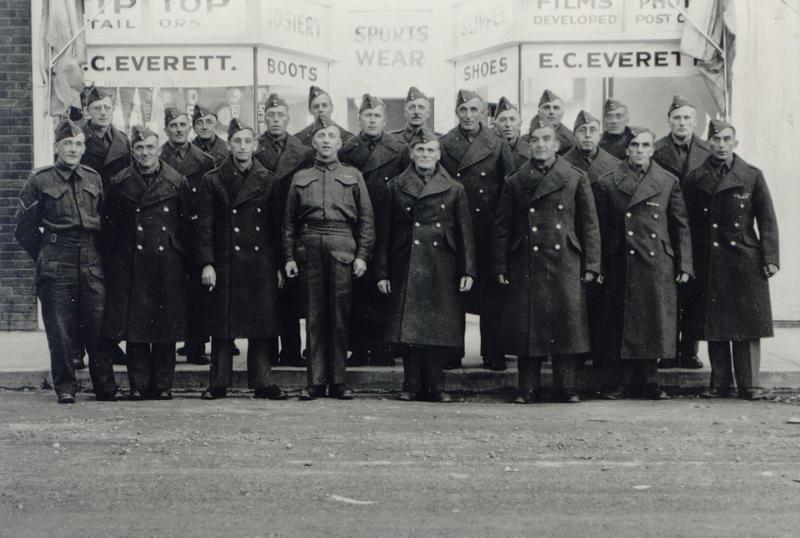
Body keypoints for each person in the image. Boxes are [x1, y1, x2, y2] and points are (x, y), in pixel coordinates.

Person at [491, 117, 601, 404]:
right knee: (530, 325)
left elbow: (589, 225)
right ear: (529, 144)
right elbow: (503, 226)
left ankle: (566, 387)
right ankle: (527, 388)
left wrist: (592, 264)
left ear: (557, 144)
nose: (540, 145)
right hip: (526, 259)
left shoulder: (576, 177)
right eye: (535, 139)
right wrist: (501, 264)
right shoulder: (515, 180)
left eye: (546, 139)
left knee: (566, 324)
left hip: (565, 259)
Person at [15, 119, 119, 403]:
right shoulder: (39, 180)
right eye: (68, 144)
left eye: (78, 144)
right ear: (56, 147)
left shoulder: (93, 178)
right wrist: (47, 254)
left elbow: (103, 222)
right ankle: (65, 388)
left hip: (89, 258)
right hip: (56, 258)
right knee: (59, 329)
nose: (73, 149)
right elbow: (23, 229)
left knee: (98, 326)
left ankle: (105, 387)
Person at [376, 128, 475, 402]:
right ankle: (410, 384)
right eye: (420, 150)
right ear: (411, 153)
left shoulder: (455, 188)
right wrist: (382, 272)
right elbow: (384, 233)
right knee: (410, 327)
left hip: (442, 262)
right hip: (405, 260)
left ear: (439, 154)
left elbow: (465, 233)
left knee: (437, 327)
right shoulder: (395, 186)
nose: (425, 154)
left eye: (431, 150)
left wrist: (468, 269)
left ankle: (436, 385)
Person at [683, 119, 779, 400]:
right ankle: (721, 383)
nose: (721, 145)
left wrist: (770, 258)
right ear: (708, 143)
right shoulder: (695, 178)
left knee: (747, 325)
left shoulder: (751, 175)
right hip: (710, 260)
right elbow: (686, 224)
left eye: (727, 140)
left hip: (745, 259)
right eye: (716, 140)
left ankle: (749, 384)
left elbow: (768, 221)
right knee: (716, 325)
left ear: (735, 143)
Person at [594, 127, 693, 400]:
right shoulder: (607, 182)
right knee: (621, 321)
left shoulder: (668, 181)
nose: (639, 150)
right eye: (634, 145)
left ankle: (650, 381)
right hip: (621, 260)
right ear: (627, 150)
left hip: (656, 261)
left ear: (652, 150)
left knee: (653, 321)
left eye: (645, 145)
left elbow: (680, 226)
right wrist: (598, 265)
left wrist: (685, 264)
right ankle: (623, 382)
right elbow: (599, 229)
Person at [194, 119, 288, 400]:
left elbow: (277, 228)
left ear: (255, 145)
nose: (243, 147)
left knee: (260, 325)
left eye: (248, 141)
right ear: (229, 144)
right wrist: (206, 263)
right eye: (237, 141)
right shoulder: (212, 180)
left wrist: (281, 265)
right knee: (222, 326)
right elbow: (204, 226)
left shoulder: (270, 181)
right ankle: (218, 383)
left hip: (260, 263)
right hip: (225, 262)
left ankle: (262, 382)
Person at [283, 118, 375, 400]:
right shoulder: (300, 178)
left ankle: (338, 381)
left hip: (342, 248)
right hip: (309, 248)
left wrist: (362, 256)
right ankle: (315, 381)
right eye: (320, 136)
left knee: (339, 316)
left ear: (339, 143)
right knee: (313, 315)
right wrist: (288, 257)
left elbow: (367, 221)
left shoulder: (353, 175)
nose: (325, 140)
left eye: (331, 136)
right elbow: (288, 225)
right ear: (313, 143)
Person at [102, 126, 192, 400]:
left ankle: (163, 385)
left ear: (159, 149)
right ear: (132, 151)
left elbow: (187, 225)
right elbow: (110, 228)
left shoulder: (177, 181)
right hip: (132, 262)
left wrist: (184, 260)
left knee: (165, 325)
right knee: (136, 326)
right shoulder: (119, 183)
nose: (145, 153)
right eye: (139, 148)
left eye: (150, 147)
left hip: (168, 262)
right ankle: (139, 385)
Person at [438, 89, 515, 371]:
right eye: (463, 111)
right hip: (457, 227)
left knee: (493, 294)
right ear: (456, 113)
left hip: (489, 229)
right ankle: (453, 351)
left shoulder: (497, 145)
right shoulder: (445, 143)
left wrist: (503, 229)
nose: (468, 116)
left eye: (474, 110)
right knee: (455, 291)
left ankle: (494, 352)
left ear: (483, 113)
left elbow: (509, 191)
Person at [339, 94, 410, 366]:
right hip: (355, 226)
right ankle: (358, 348)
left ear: (385, 119)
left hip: (388, 226)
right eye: (367, 115)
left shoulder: (399, 149)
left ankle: (384, 349)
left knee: (384, 288)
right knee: (357, 289)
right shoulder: (347, 150)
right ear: (358, 119)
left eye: (377, 116)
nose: (372, 120)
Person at [254, 93, 314, 367]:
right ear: (264, 118)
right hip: (261, 224)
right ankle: (267, 352)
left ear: (288, 118)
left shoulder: (302, 151)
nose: (275, 120)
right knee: (266, 292)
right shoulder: (253, 148)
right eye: (271, 116)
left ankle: (292, 349)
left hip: (294, 224)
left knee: (291, 292)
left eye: (280, 116)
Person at [653, 95, 711, 370]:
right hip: (665, 227)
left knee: (695, 292)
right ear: (669, 121)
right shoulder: (655, 150)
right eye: (677, 118)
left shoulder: (708, 151)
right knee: (668, 290)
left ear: (695, 121)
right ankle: (666, 350)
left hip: (699, 231)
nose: (682, 122)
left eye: (687, 117)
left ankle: (689, 350)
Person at [561, 110, 621, 375]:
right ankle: (575, 353)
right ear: (574, 134)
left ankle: (600, 354)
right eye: (582, 130)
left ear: (600, 134)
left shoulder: (614, 164)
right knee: (574, 300)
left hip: (605, 239)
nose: (587, 135)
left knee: (603, 300)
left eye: (593, 130)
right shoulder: (563, 163)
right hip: (572, 238)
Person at [79, 84, 130, 366]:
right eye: (96, 108)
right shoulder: (77, 140)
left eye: (106, 108)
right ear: (88, 111)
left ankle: (110, 344)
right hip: (87, 219)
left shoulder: (123, 141)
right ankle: (77, 349)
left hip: (116, 223)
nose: (101, 112)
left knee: (112, 286)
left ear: (112, 110)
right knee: (82, 289)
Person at [160, 107, 216, 366]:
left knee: (196, 293)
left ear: (189, 128)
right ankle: (166, 346)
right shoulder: (156, 155)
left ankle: (196, 346)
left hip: (193, 232)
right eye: (174, 125)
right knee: (168, 290)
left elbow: (209, 199)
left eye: (183, 125)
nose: (179, 129)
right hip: (166, 230)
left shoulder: (204, 161)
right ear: (166, 130)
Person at [522, 90, 576, 156]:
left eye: (556, 108)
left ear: (562, 114)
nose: (551, 112)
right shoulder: (524, 141)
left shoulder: (573, 140)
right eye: (546, 107)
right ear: (539, 112)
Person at [493, 96, 531, 173]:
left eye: (512, 119)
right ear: (495, 126)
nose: (508, 124)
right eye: (503, 120)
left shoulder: (530, 152)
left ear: (520, 124)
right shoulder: (488, 151)